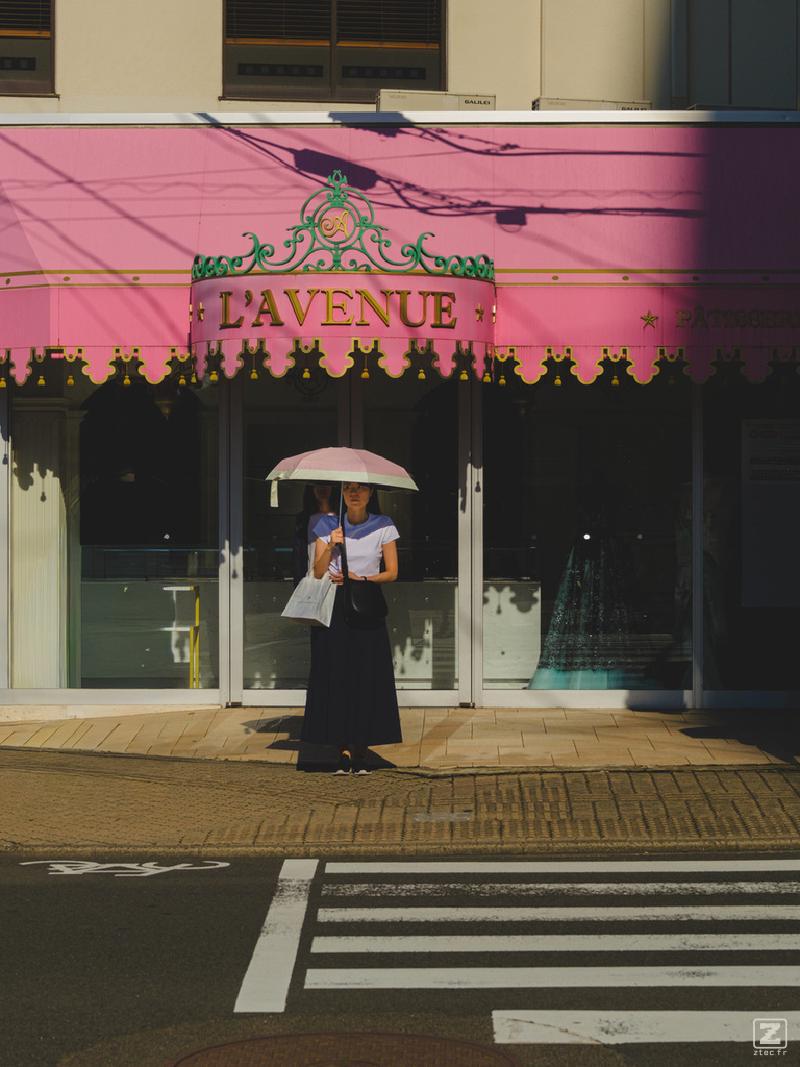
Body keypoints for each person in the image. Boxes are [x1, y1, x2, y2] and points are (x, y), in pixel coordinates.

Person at [301, 481, 402, 774]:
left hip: (365, 602)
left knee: (366, 673)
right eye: (348, 489)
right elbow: (318, 571)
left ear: (371, 494)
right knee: (336, 674)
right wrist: (331, 543)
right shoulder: (328, 524)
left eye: (360, 489)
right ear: (342, 494)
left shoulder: (384, 525)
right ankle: (341, 745)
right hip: (334, 604)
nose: (354, 494)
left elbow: (393, 572)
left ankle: (362, 745)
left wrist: (364, 579)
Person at [292, 483, 337, 585]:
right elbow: (299, 555)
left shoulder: (341, 518)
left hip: (334, 579)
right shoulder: (304, 519)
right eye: (317, 485)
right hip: (310, 578)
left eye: (327, 485)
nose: (322, 489)